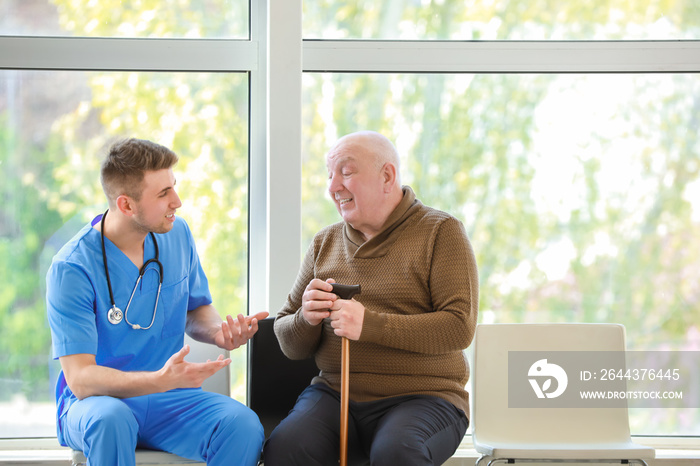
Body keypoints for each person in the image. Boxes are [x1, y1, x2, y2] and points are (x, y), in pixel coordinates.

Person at [46, 138, 268, 466]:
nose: (177, 202)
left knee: (242, 426)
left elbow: (195, 309)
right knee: (111, 421)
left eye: (173, 188)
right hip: (100, 402)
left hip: (169, 399)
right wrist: (158, 379)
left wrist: (218, 333)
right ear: (126, 205)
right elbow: (81, 380)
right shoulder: (72, 268)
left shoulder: (177, 236)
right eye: (163, 194)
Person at [263, 131, 479, 465]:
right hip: (334, 393)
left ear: (387, 176)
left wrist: (370, 325)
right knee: (286, 448)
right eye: (329, 175)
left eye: (346, 173)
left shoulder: (441, 231)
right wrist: (306, 318)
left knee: (397, 453)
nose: (333, 186)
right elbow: (290, 342)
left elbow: (458, 327)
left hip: (425, 396)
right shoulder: (325, 243)